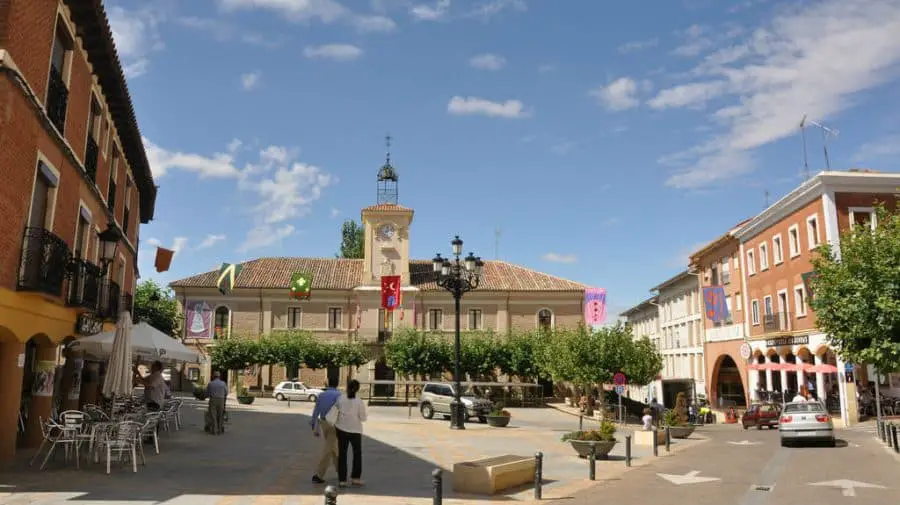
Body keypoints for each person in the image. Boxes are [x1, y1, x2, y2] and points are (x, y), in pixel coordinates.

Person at [334, 379, 367, 487]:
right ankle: (355, 478)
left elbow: (336, 410)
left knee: (342, 454)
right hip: (355, 430)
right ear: (357, 389)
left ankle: (342, 480)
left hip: (341, 428)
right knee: (357, 454)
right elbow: (363, 418)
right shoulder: (359, 401)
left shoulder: (341, 398)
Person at [310, 376, 341, 484]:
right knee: (331, 448)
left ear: (327, 384)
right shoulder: (339, 395)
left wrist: (314, 425)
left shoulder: (321, 395)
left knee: (331, 448)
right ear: (337, 383)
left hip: (324, 424)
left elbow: (316, 411)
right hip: (335, 424)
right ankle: (338, 472)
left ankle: (322, 474)